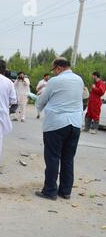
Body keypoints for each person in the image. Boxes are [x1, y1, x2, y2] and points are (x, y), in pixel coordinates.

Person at [35, 57, 84, 201]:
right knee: (68, 158)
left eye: (54, 70)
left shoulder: (55, 81)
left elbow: (42, 101)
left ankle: (50, 191)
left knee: (52, 158)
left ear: (59, 68)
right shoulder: (79, 80)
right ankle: (65, 191)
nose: (54, 73)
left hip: (56, 124)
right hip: (75, 124)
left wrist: (39, 104)